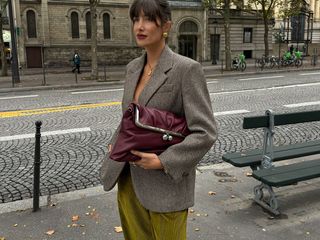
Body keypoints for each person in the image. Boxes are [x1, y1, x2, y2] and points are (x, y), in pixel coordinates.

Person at [100, 0, 217, 239]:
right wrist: (115, 142)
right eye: (135, 19)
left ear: (166, 26)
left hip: (165, 188)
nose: (139, 27)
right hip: (128, 180)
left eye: (147, 20)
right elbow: (129, 118)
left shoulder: (186, 69)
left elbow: (205, 132)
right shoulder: (133, 68)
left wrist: (163, 162)